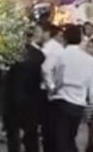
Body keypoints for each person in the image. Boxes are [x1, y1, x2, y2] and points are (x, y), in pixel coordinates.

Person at [48, 24, 93, 152]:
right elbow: (92, 83)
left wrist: (51, 88)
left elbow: (49, 73)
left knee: (60, 140)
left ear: (65, 38)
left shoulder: (60, 55)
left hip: (61, 101)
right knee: (70, 137)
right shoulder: (89, 59)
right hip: (79, 104)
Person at [4, 26, 45, 152]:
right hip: (32, 99)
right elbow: (41, 78)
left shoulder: (11, 53)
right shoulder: (39, 55)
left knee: (13, 135)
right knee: (31, 135)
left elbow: (7, 77)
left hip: (12, 99)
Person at [39, 23, 63, 152]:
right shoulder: (54, 47)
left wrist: (51, 87)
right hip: (54, 90)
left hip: (49, 92)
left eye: (40, 31)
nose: (38, 35)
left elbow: (46, 70)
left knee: (49, 126)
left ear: (47, 33)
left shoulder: (51, 49)